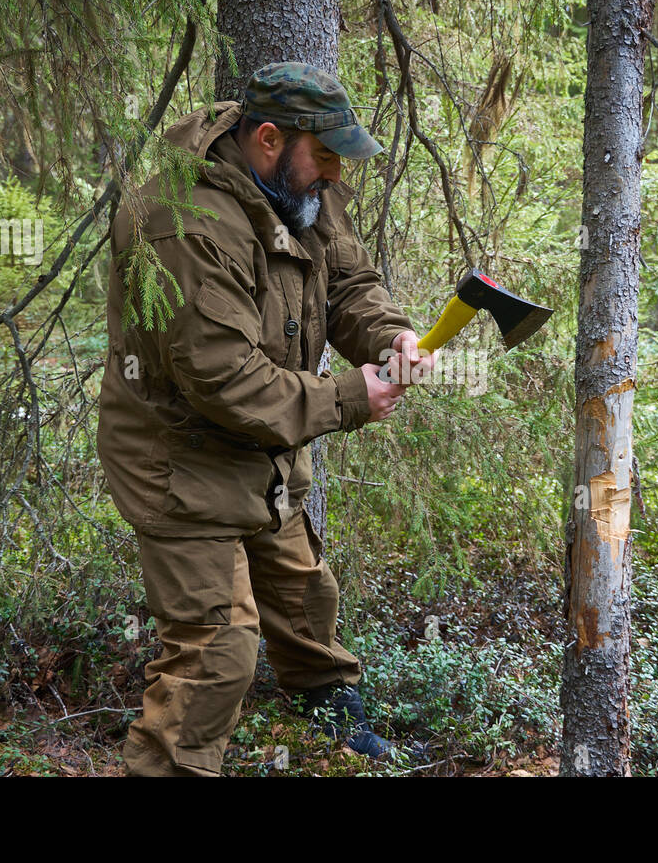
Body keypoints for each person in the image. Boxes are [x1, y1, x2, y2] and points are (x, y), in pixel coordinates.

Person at [97, 61, 436, 776]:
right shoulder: (180, 223)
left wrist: (390, 336)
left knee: (302, 592)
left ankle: (326, 710)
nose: (337, 175)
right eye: (326, 156)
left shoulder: (299, 184)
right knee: (217, 649)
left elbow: (348, 281)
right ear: (270, 140)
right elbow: (225, 379)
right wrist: (348, 398)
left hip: (267, 449)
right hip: (181, 461)